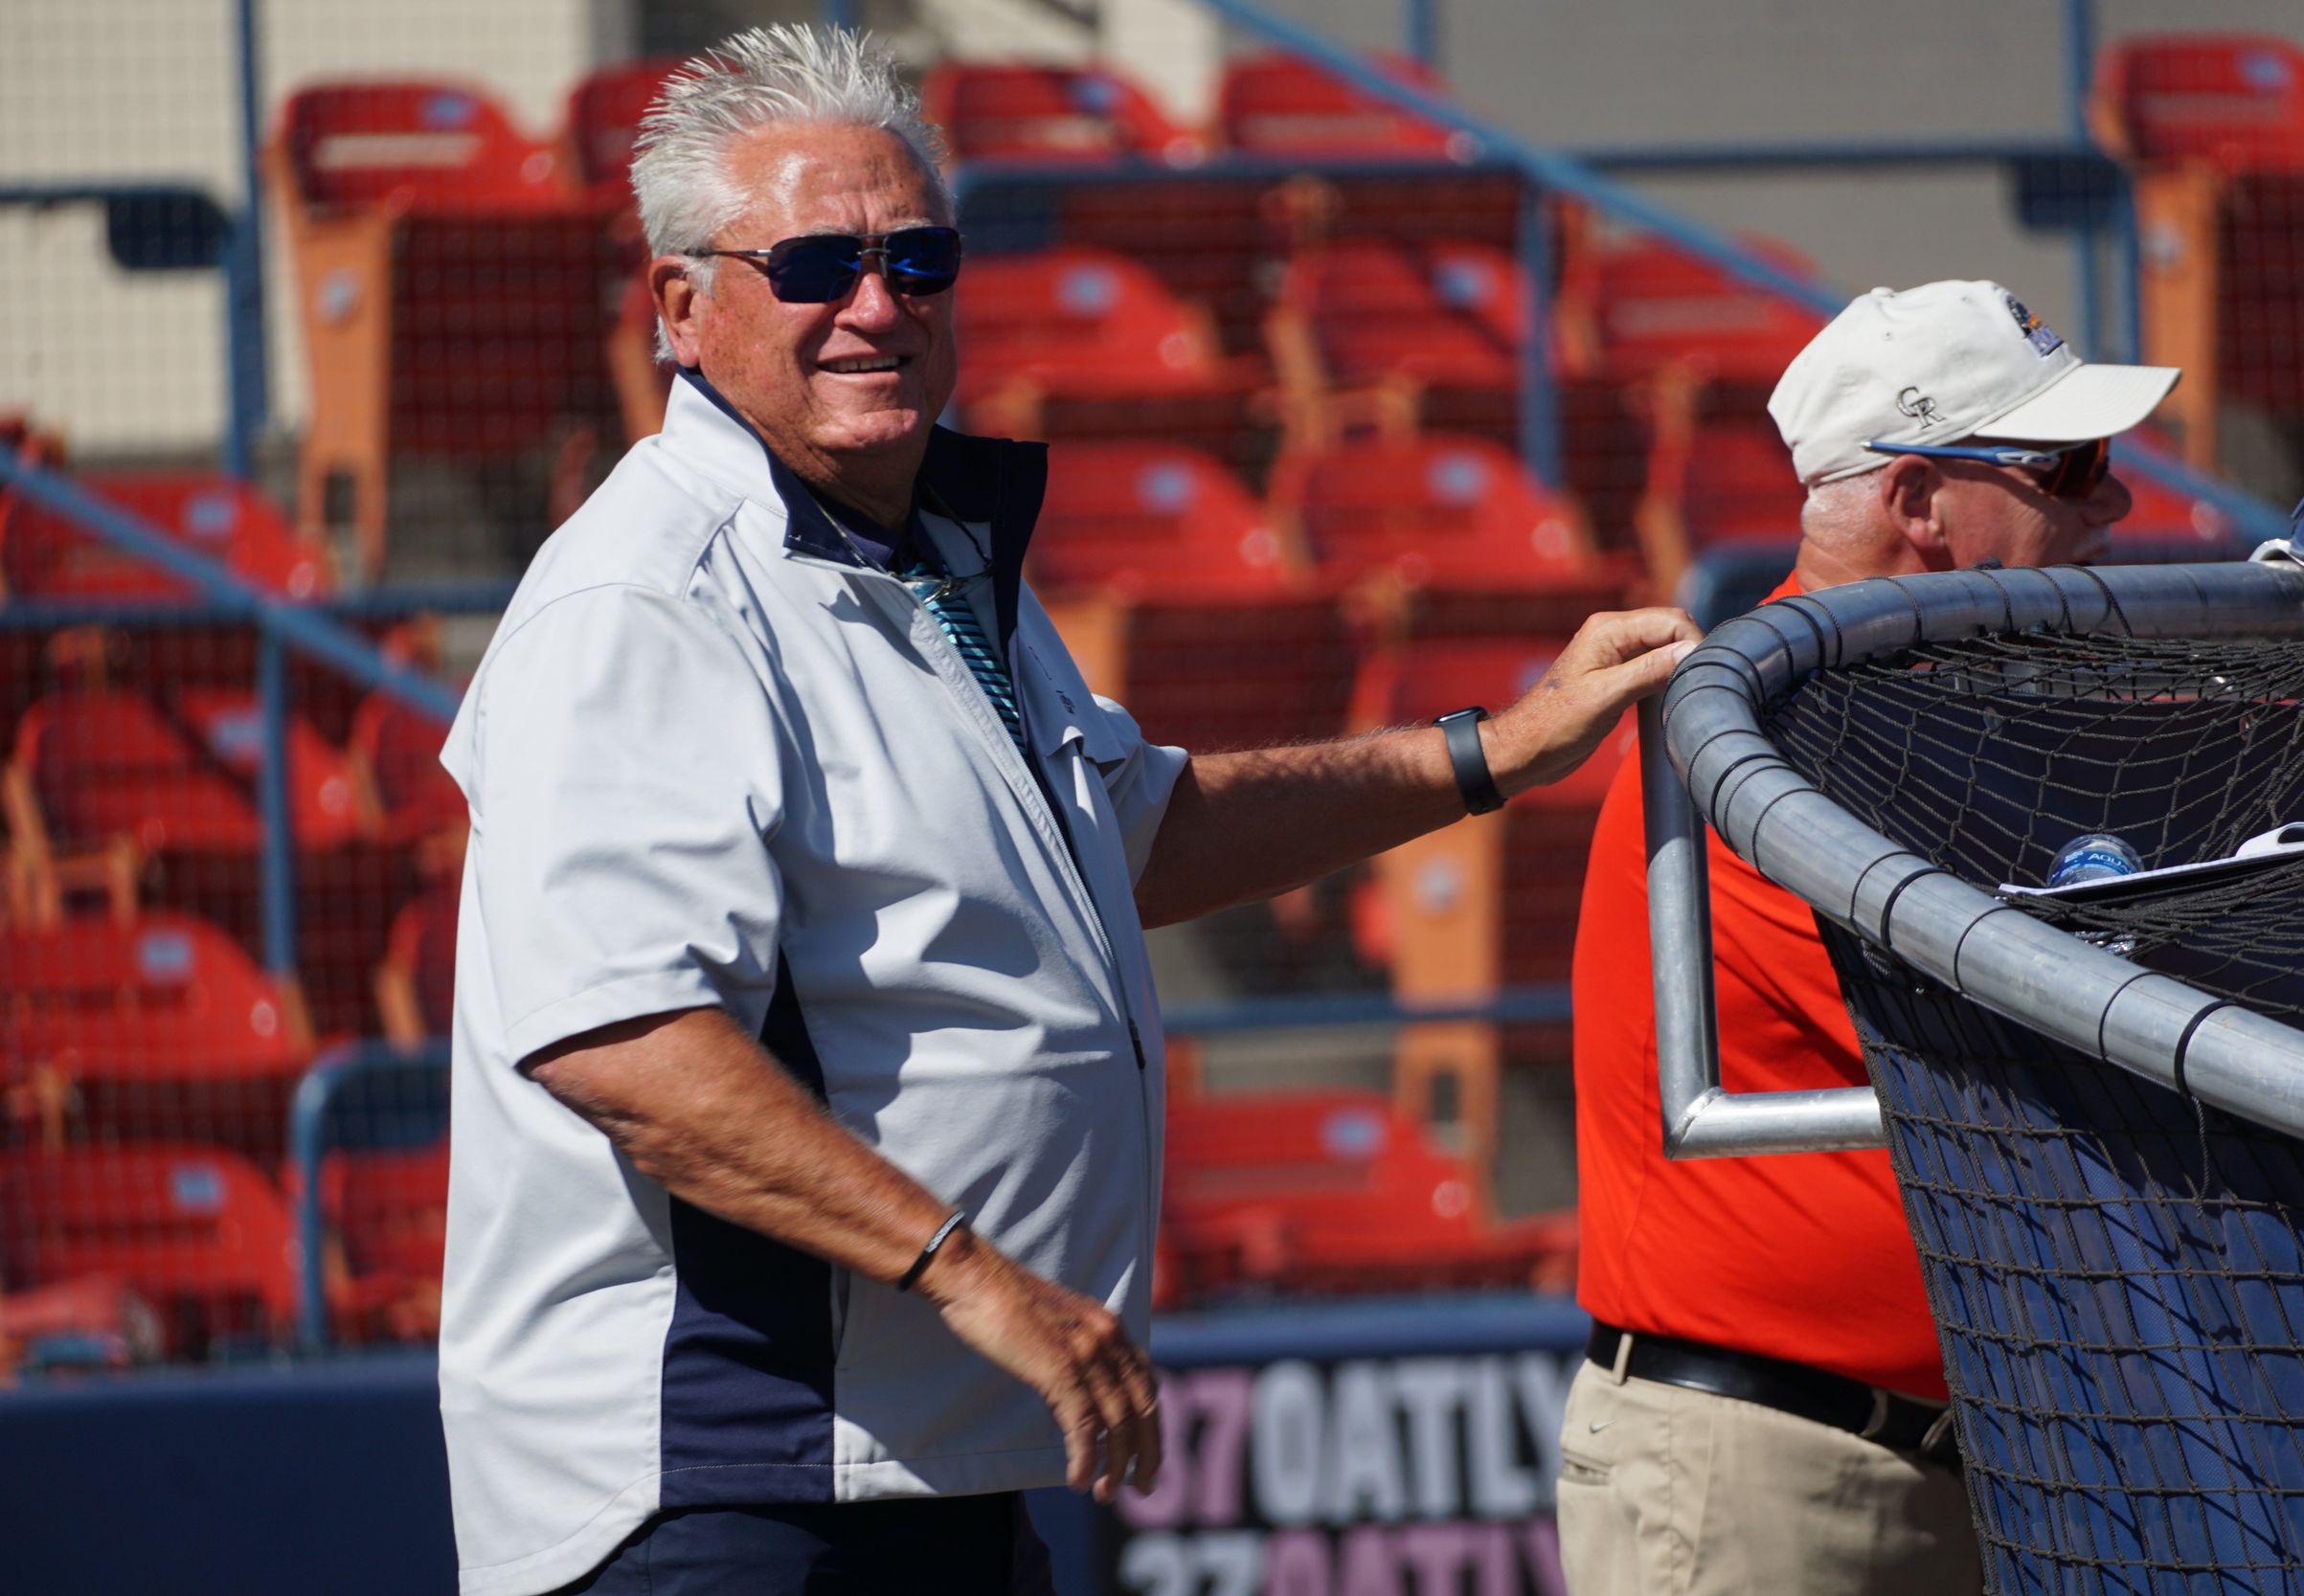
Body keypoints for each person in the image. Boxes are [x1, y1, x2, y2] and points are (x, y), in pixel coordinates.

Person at [435, 24, 1700, 1596]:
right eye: (816, 263)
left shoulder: (927, 550)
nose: (877, 306)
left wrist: (1489, 752)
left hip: (935, 1459)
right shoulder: (649, 596)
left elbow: (1137, 837)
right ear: (682, 311)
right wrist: (966, 1273)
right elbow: (619, 1038)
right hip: (726, 1478)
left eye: (918, 257)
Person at [1559, 280, 2180, 1596]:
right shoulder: (1765, 735)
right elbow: (2037, 1052)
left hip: (1971, 1467)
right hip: (1768, 1477)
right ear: (1917, 505)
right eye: (2069, 470)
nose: (2114, 506)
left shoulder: (1952, 720)